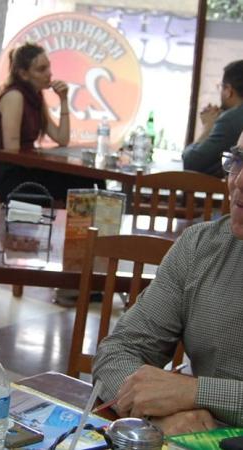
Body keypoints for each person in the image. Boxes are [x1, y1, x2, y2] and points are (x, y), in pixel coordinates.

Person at [93, 130, 243, 436]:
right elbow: (118, 351)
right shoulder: (200, 248)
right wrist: (156, 417)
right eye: (239, 160)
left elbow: (189, 394)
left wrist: (195, 392)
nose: (238, 181)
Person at [0, 42, 103, 203]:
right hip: (11, 177)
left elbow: (62, 139)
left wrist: (63, 99)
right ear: (23, 74)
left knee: (93, 178)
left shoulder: (35, 97)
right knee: (82, 183)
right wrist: (43, 161)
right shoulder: (15, 96)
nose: (49, 73)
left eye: (48, 67)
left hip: (27, 169)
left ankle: (101, 217)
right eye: (41, 69)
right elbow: (11, 152)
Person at [183, 60, 243, 176]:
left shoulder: (229, 120)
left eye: (220, 87)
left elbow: (191, 163)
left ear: (228, 90)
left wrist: (207, 128)